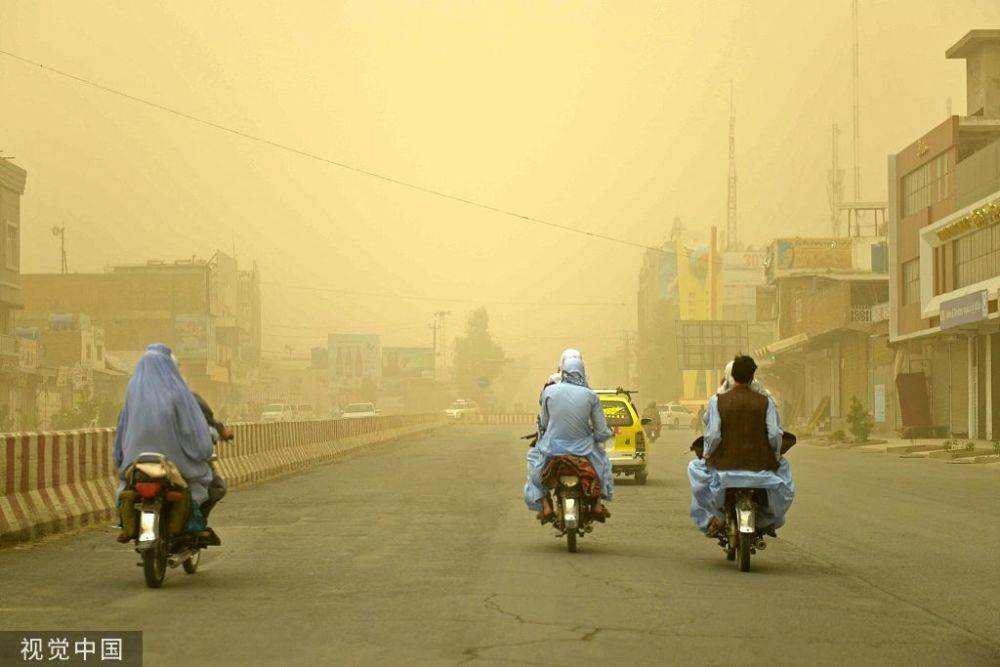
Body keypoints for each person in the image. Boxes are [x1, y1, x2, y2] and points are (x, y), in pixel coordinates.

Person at [113, 343, 216, 537]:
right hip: (173, 463)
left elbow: (122, 430)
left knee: (125, 487)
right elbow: (191, 429)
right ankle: (190, 527)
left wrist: (119, 458)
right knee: (197, 483)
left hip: (136, 462)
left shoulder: (133, 391)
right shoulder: (178, 392)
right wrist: (203, 450)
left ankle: (125, 525)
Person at [688, 355, 794, 536]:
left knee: (694, 468)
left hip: (725, 467)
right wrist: (774, 455)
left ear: (731, 375)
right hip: (760, 466)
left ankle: (714, 518)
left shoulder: (717, 401)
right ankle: (766, 520)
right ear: (752, 377)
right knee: (784, 473)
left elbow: (713, 435)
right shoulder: (765, 401)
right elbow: (775, 434)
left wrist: (707, 454)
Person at [525, 355, 614, 522]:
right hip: (584, 449)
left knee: (533, 466)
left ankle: (545, 506)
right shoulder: (590, 395)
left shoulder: (549, 391)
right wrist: (601, 436)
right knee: (603, 465)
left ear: (563, 371)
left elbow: (543, 423)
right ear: (582, 372)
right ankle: (597, 504)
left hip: (552, 448)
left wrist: (544, 435)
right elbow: (601, 430)